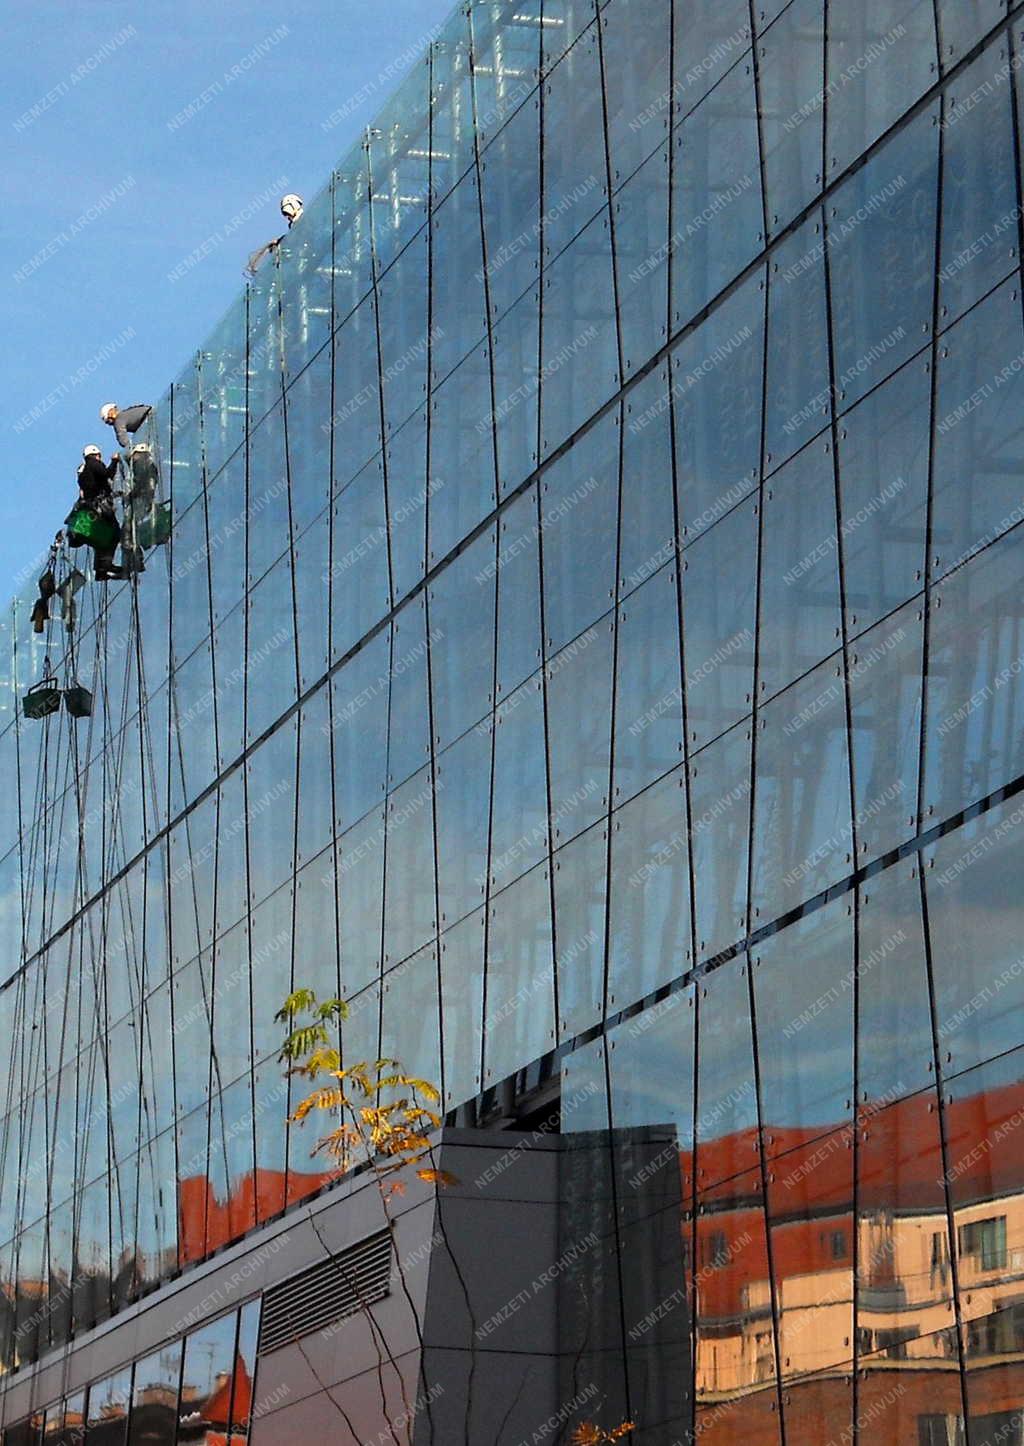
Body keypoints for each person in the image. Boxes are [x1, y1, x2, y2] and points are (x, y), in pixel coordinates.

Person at [76, 444, 125, 580]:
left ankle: (100, 571)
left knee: (101, 538)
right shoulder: (94, 465)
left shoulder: (84, 473)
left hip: (92, 509)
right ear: (96, 455)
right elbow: (107, 474)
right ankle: (106, 565)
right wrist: (115, 460)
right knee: (114, 533)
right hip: (101, 508)